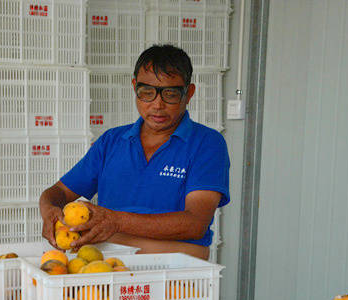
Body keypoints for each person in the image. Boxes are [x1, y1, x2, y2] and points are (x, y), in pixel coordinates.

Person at [39, 44, 230, 260]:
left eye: (170, 94)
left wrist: (116, 222)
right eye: (147, 92)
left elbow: (195, 223)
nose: (157, 105)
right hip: (108, 267)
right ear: (134, 87)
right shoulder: (112, 141)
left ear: (189, 93)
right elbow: (59, 191)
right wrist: (49, 209)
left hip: (176, 271)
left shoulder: (206, 143)